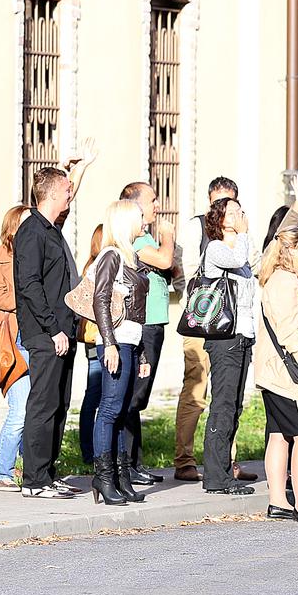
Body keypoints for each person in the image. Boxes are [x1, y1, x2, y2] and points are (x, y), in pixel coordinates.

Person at [176, 176, 256, 482]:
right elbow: (185, 269)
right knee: (198, 390)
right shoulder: (211, 241)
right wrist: (195, 306)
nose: (235, 213)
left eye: (235, 204)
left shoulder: (240, 245)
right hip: (208, 323)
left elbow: (249, 273)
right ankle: (188, 460)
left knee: (229, 400)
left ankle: (227, 463)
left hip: (238, 332)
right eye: (225, 206)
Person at [13, 167, 81, 499]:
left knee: (59, 402)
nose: (71, 194)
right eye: (67, 189)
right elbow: (28, 285)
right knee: (42, 403)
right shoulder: (31, 231)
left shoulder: (52, 229)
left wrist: (78, 169)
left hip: (63, 333)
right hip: (45, 334)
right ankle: (34, 479)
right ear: (53, 193)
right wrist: (53, 329)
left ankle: (48, 473)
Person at [88, 200, 152, 505]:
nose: (145, 220)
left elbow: (135, 311)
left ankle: (121, 476)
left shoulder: (131, 256)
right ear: (126, 220)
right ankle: (103, 476)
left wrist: (140, 354)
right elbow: (100, 300)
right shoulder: (111, 255)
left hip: (130, 339)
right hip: (115, 340)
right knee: (111, 408)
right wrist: (110, 343)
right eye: (140, 216)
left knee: (123, 409)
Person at [255, 227, 298, 523]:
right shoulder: (284, 283)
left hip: (274, 372)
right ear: (289, 251)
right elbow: (290, 331)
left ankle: (278, 501)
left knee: (279, 435)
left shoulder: (285, 280)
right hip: (287, 374)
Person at [118, 181, 175, 486]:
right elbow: (165, 260)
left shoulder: (146, 238)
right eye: (153, 200)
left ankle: (133, 463)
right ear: (136, 205)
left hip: (154, 322)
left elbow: (171, 268)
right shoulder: (138, 240)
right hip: (145, 324)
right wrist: (168, 236)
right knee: (133, 395)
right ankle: (123, 463)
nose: (158, 205)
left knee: (138, 396)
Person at [200, 196, 257, 495]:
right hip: (224, 339)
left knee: (234, 406)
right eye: (232, 212)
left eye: (241, 210)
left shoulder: (244, 252)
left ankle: (224, 472)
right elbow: (235, 261)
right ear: (220, 220)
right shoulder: (216, 248)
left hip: (243, 336)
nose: (240, 215)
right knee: (222, 406)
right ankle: (215, 477)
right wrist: (244, 234)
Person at [0, 205, 32, 492]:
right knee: (21, 410)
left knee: (35, 409)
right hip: (13, 342)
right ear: (14, 226)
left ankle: (34, 470)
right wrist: (29, 291)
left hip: (35, 339)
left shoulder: (33, 255)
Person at [77, 225, 105, 466]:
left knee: (95, 395)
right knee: (95, 395)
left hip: (95, 340)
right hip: (97, 340)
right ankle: (89, 450)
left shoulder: (90, 266)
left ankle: (91, 449)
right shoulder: (95, 269)